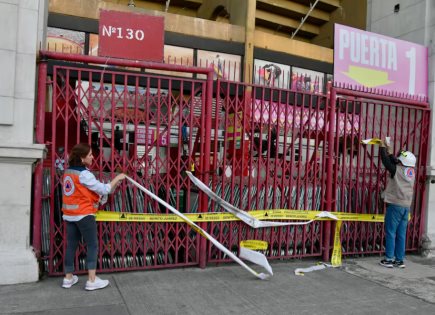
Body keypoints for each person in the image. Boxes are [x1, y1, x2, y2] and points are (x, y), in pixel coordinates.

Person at [61, 143, 126, 290]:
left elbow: (80, 192)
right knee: (92, 245)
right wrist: (118, 178)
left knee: (71, 245)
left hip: (70, 215)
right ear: (82, 158)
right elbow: (104, 189)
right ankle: (91, 280)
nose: (92, 157)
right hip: (84, 214)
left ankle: (68, 278)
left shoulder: (68, 172)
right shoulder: (84, 174)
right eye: (90, 155)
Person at [379, 137, 416, 268]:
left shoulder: (397, 171)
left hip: (395, 206)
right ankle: (399, 260)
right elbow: (395, 160)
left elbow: (386, 162)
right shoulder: (411, 171)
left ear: (402, 162)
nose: (398, 160)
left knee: (390, 232)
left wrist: (382, 147)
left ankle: (389, 259)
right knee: (401, 234)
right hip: (406, 206)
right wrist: (390, 150)